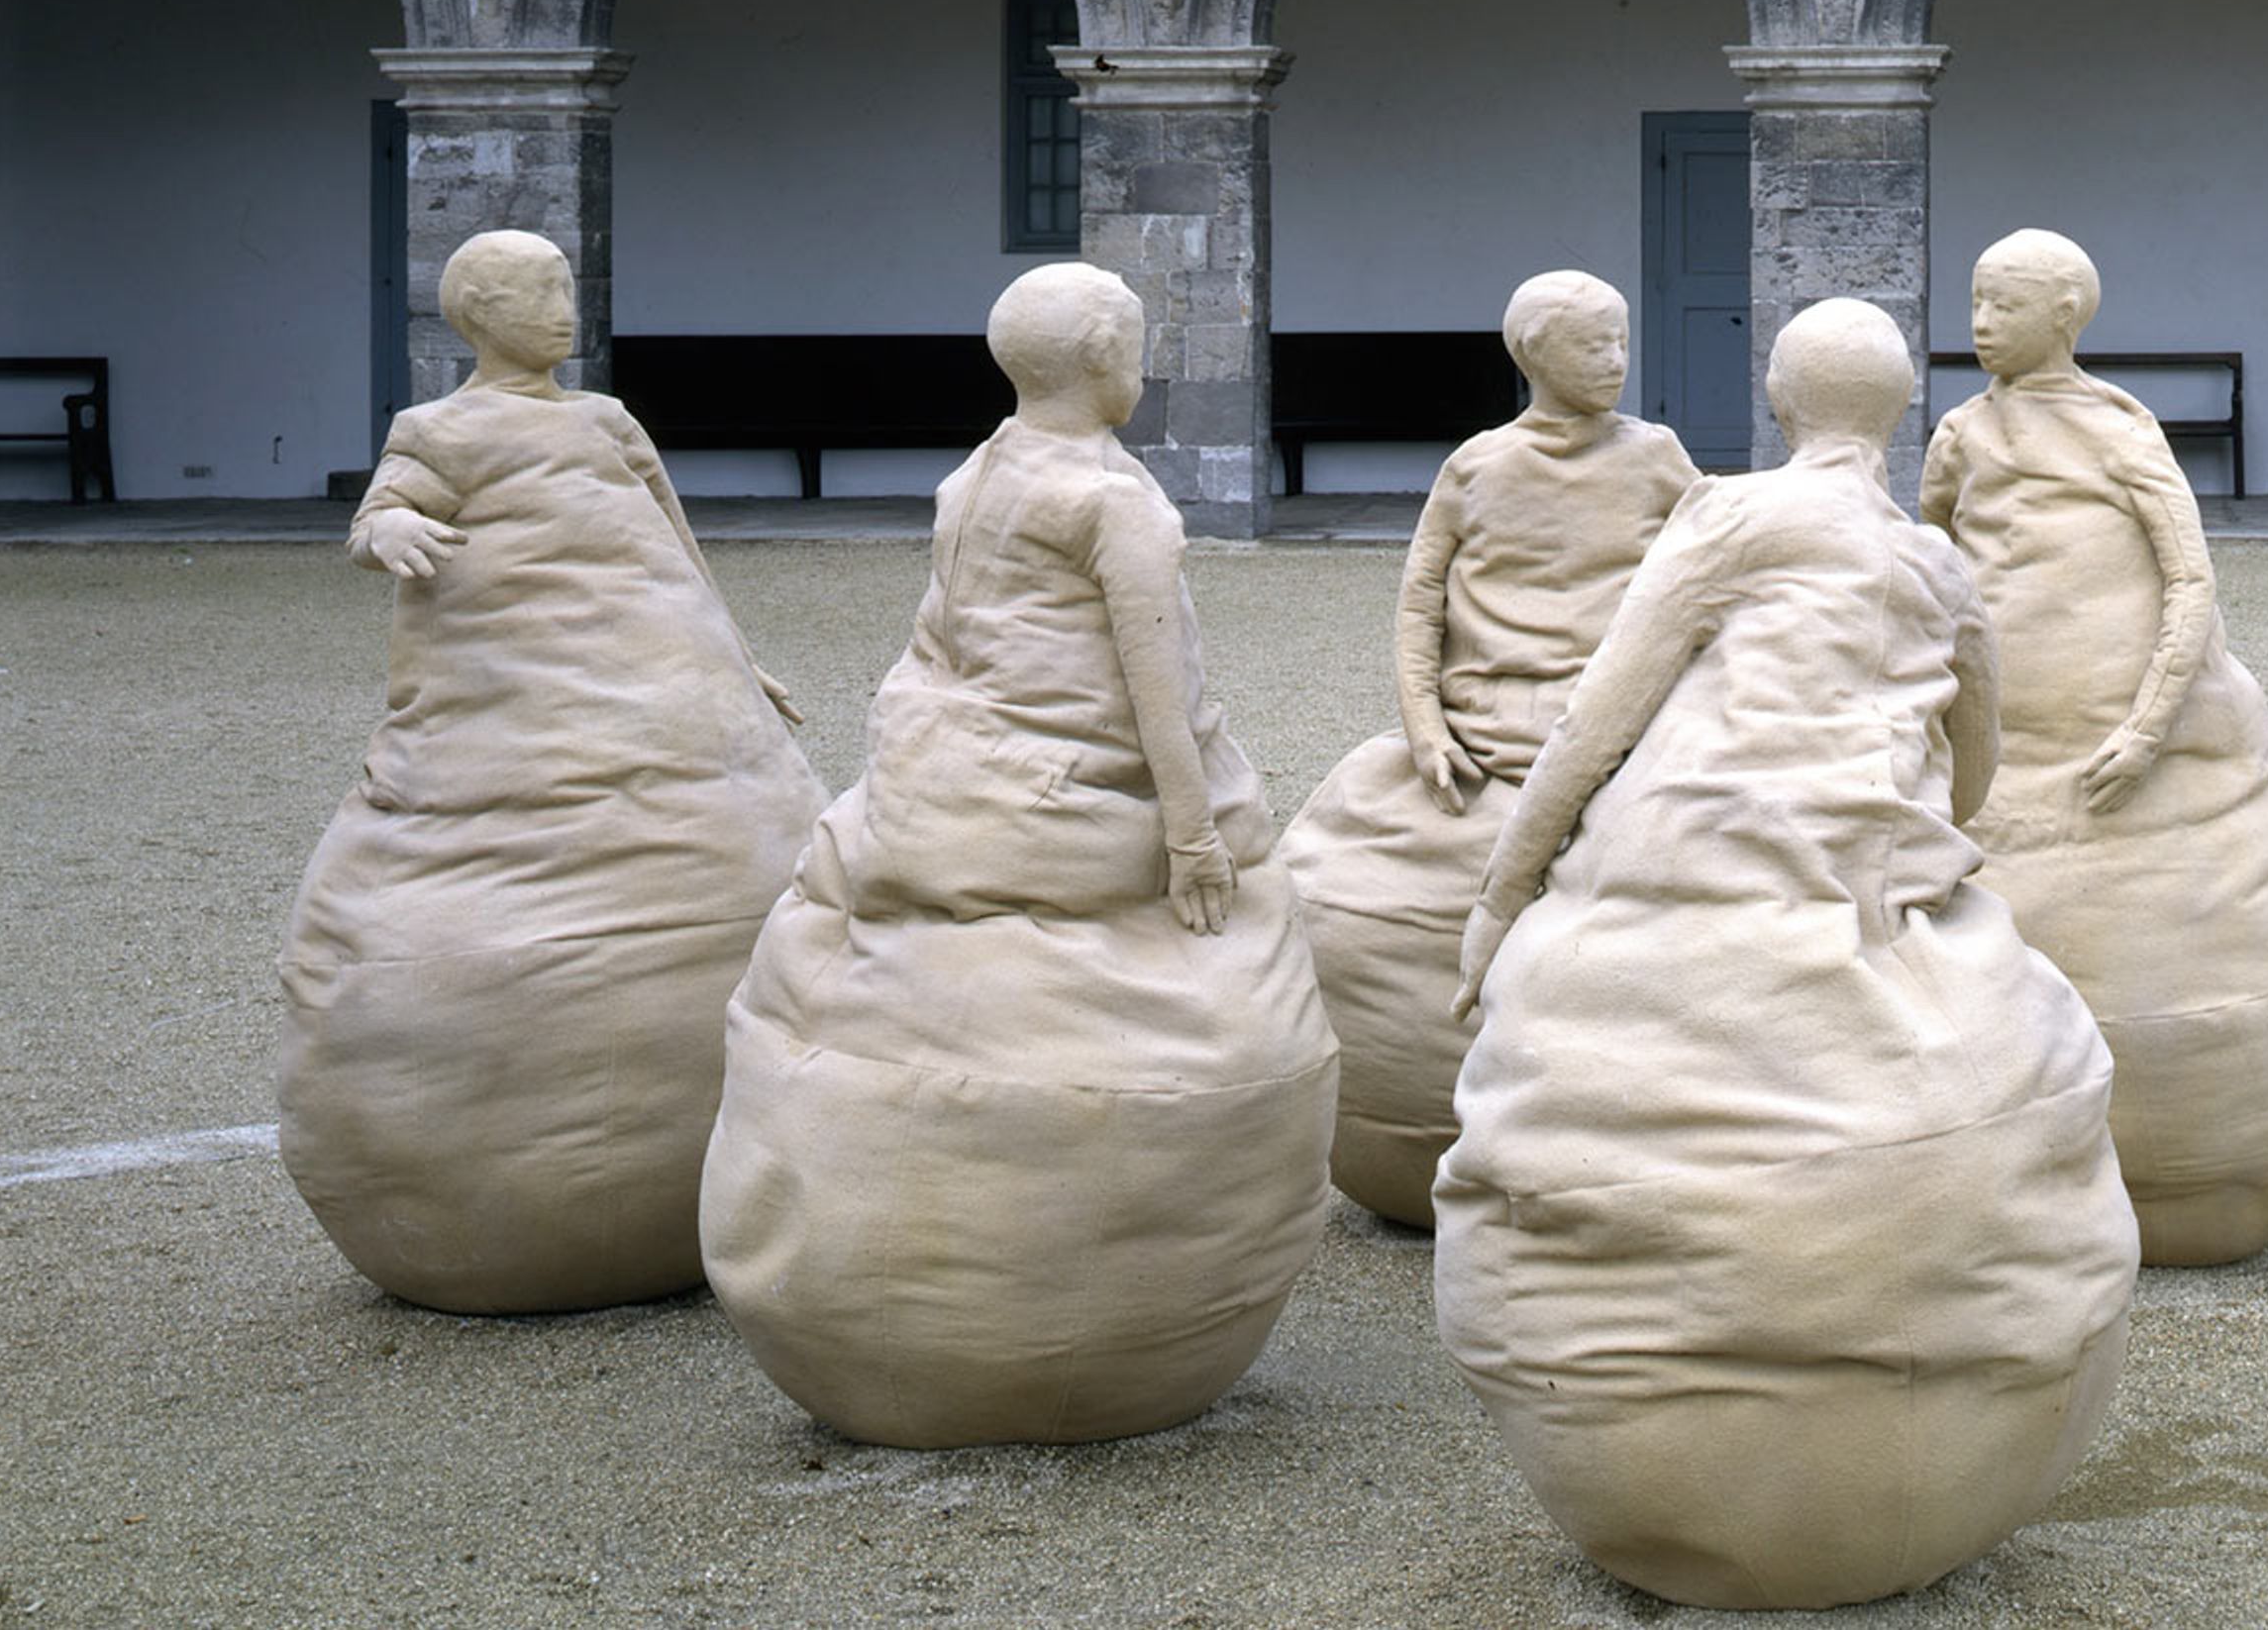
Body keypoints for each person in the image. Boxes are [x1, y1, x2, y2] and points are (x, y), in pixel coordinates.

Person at [1434, 301, 2133, 1611]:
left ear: (1775, 397)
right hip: (1862, 880)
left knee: (1566, 1095)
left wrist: (1507, 886)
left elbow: (1599, 716)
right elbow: (1978, 770)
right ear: (1899, 412)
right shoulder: (1932, 563)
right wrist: (1905, 792)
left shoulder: (1730, 518)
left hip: (1669, 874)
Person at [701, 262, 1336, 1447]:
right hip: (1073, 789)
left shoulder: (975, 472)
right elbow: (1159, 682)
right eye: (1138, 344)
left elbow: (938, 644)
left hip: (949, 783)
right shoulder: (1116, 501)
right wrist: (1194, 834)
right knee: (1224, 1003)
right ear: (1106, 359)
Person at [279, 228, 820, 1314]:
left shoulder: (608, 420)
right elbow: (384, 506)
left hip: (667, 694)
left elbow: (673, 544)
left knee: (753, 868)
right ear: (479, 312)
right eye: (537, 291)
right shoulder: (438, 428)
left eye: (566, 284)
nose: (563, 306)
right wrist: (388, 536)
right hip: (508, 700)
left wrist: (733, 651)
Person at [1918, 228, 2268, 1268]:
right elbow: (1933, 566)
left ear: (2064, 318)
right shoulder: (1962, 434)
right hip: (2010, 751)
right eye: (1976, 299)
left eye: (2003, 302)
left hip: (2129, 752)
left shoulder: (2121, 433)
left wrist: (2146, 726)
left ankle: (2191, 1156)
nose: (1980, 321)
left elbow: (2188, 581)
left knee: (2177, 927)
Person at [1279, 272, 1698, 1226]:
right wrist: (1424, 729)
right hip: (1486, 734)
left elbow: (1711, 566)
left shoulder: (1658, 457)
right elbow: (1419, 602)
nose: (1617, 361)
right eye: (1594, 345)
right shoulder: (1477, 467)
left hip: (1617, 728)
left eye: (1621, 341)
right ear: (1535, 359)